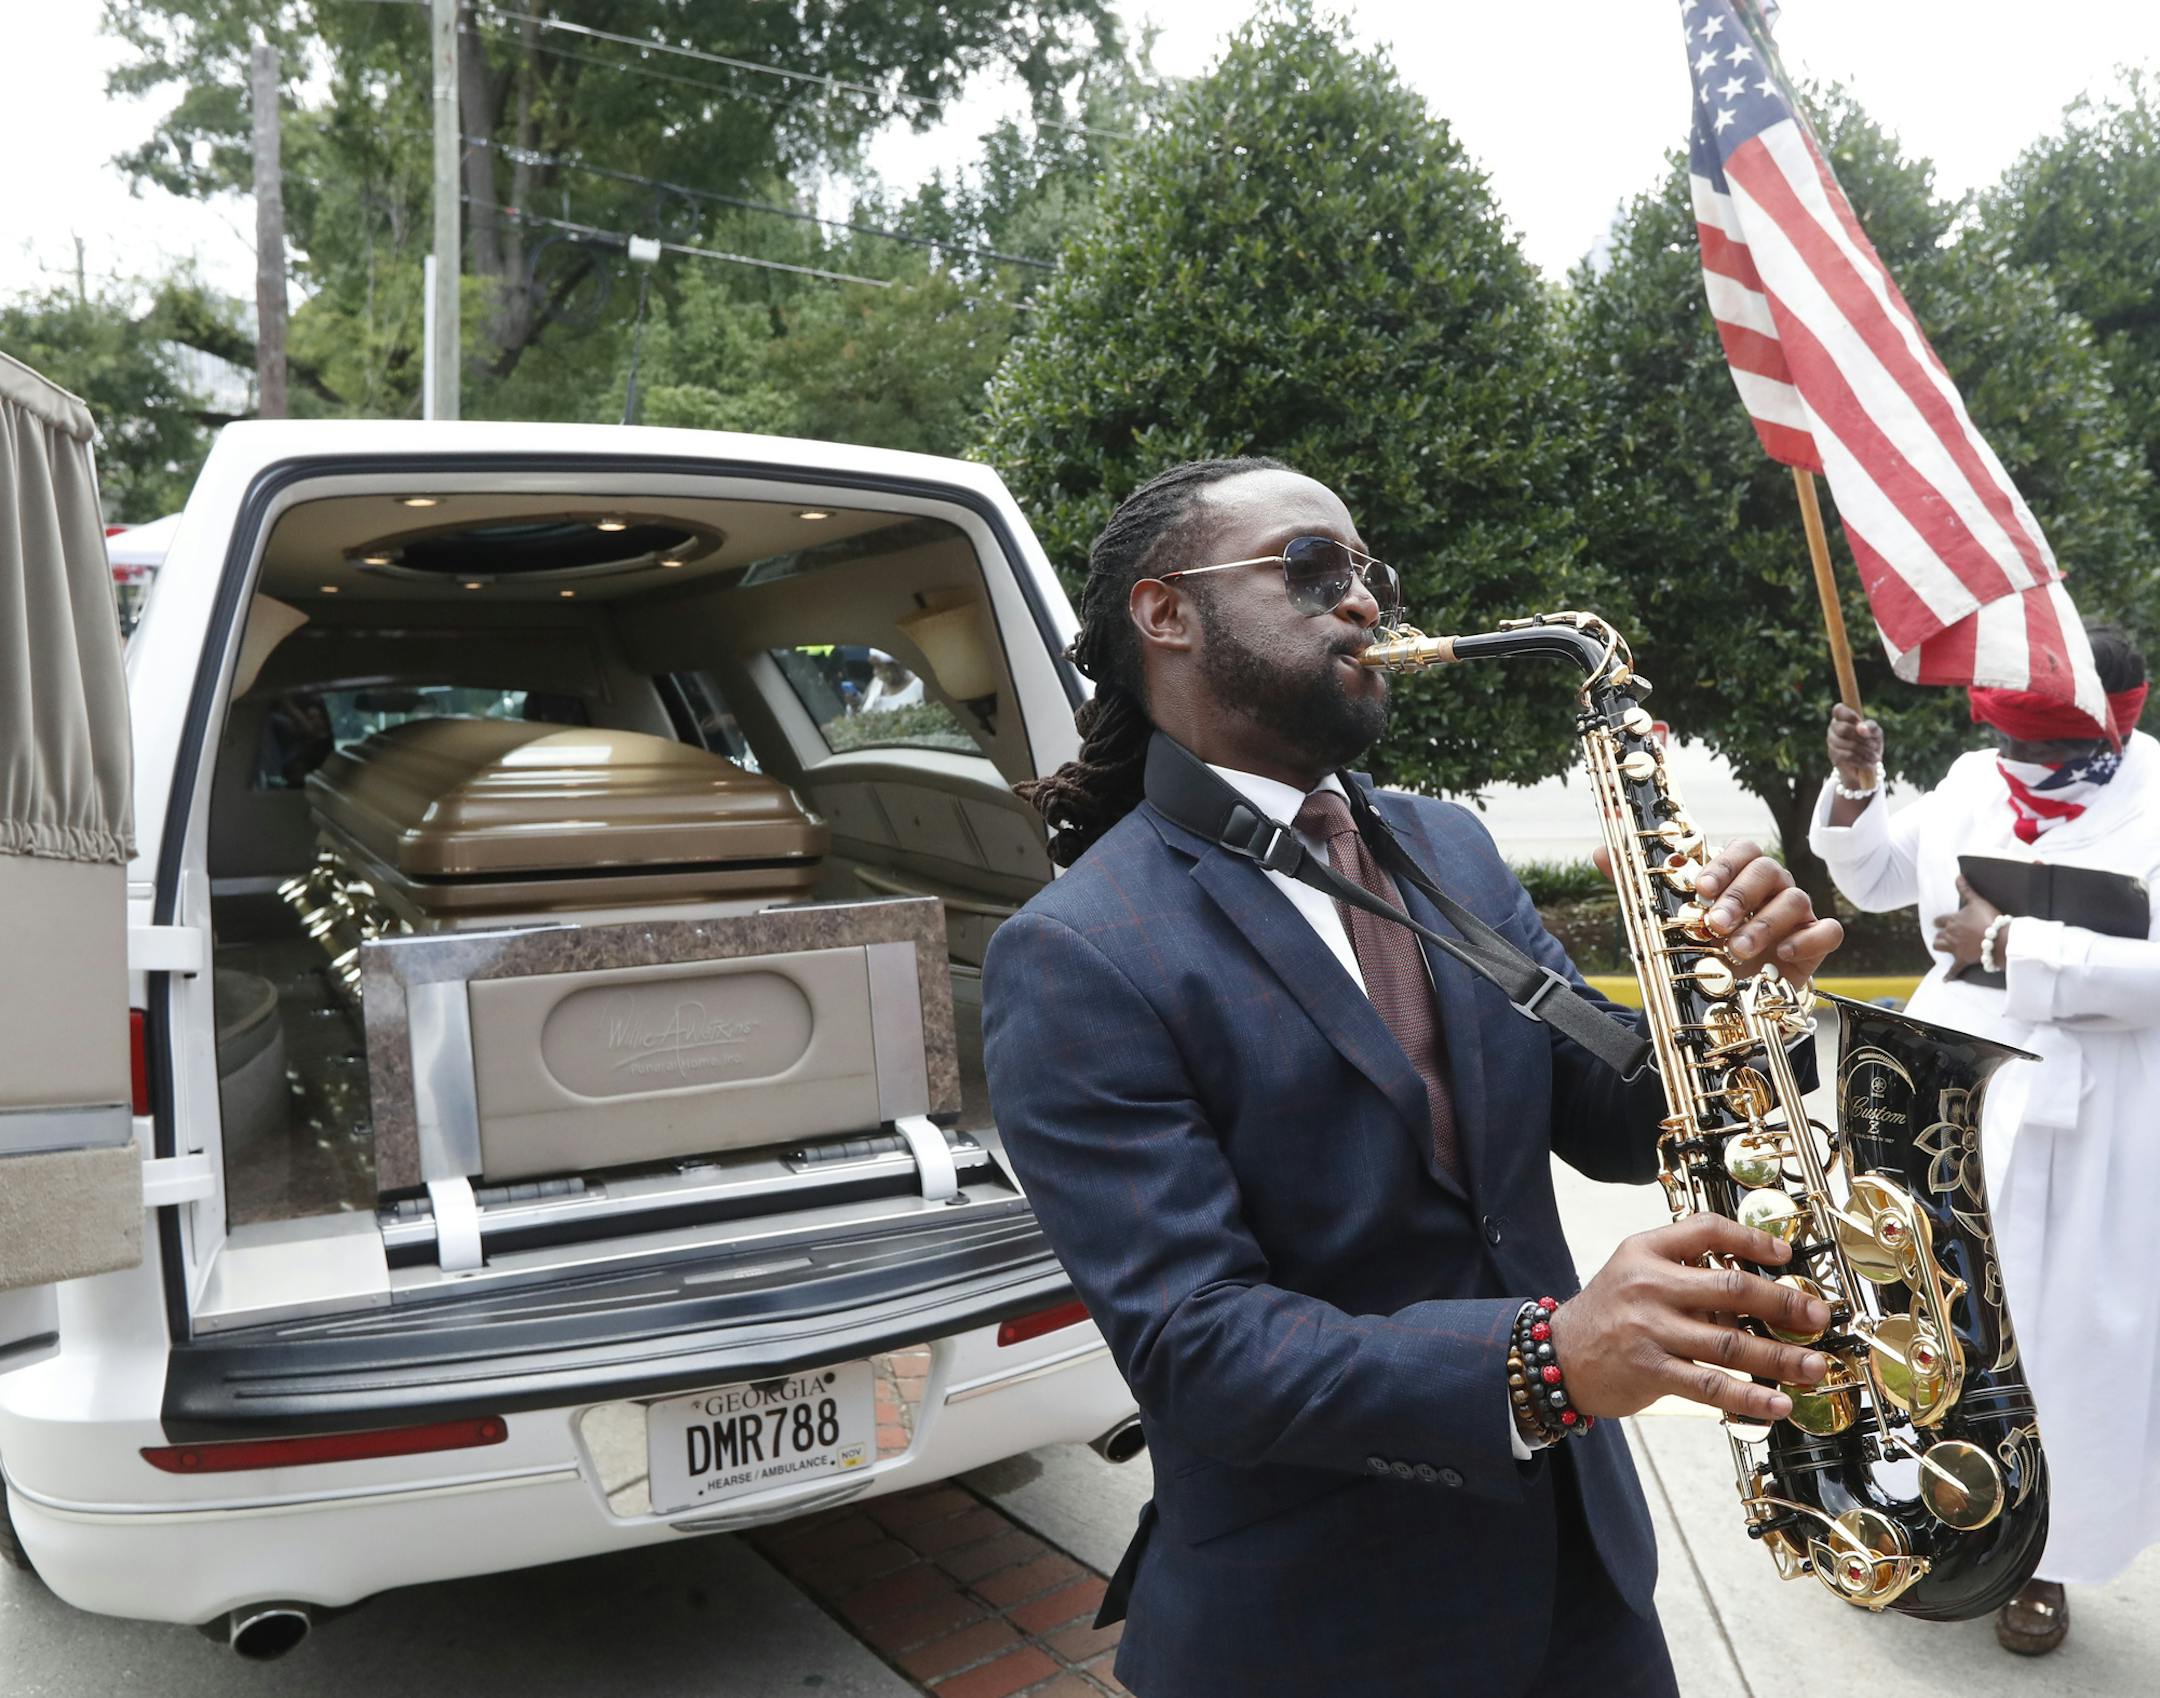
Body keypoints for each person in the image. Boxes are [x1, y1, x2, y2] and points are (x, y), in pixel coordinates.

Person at [981, 458, 1844, 1698]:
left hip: (1581, 1575)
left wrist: (1752, 993)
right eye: (1311, 569)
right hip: (1321, 1626)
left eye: (1367, 571)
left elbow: (1608, 1114)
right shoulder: (1073, 952)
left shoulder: (1450, 843)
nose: (1367, 603)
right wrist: (1542, 1365)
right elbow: (1196, 1347)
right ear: (1164, 614)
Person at [1812, 626, 2160, 1657]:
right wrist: (1859, 785)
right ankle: (1913, 1516)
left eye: (2043, 751)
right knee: (1929, 1306)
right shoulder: (1970, 777)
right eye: (2013, 744)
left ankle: (2041, 1558)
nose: (2024, 768)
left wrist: (2016, 942)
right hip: (1953, 1090)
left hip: (2100, 1110)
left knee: (2071, 1341)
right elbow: (1874, 877)